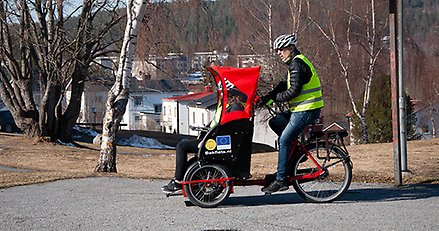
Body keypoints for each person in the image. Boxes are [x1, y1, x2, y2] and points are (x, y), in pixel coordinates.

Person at [259, 33, 324, 193]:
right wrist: (268, 97)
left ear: (291, 48)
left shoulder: (297, 64)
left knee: (284, 140)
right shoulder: (294, 63)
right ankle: (295, 155)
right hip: (300, 109)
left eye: (281, 49)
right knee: (275, 122)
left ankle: (281, 179)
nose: (279, 53)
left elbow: (294, 91)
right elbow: (284, 84)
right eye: (277, 50)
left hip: (307, 109)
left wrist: (275, 98)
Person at [162, 98, 222, 194]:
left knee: (181, 146)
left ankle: (178, 181)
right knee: (183, 143)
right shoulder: (226, 108)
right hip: (212, 138)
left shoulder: (231, 109)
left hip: (214, 141)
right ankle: (181, 178)